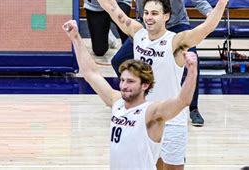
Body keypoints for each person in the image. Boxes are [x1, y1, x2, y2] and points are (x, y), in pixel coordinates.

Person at [69, 0, 229, 168]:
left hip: (172, 120)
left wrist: (221, 4)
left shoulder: (176, 41)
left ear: (166, 16)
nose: (148, 18)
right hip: (143, 116)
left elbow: (206, 28)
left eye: (154, 13)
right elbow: (110, 5)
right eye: (145, 13)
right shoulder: (138, 33)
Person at [62, 19, 198, 169]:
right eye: (123, 80)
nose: (124, 86)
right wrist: (76, 38)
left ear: (145, 85)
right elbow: (90, 73)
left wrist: (192, 72)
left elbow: (182, 101)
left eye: (131, 82)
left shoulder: (151, 112)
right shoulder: (116, 101)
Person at [112, 0, 213, 127]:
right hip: (148, 28)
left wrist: (210, 13)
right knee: (118, 60)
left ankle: (193, 108)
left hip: (176, 26)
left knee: (191, 62)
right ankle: (135, 97)